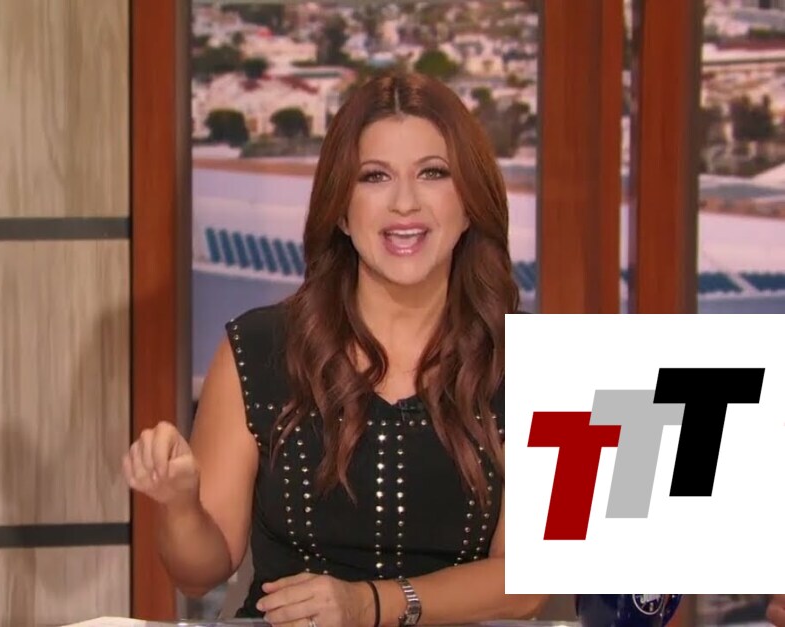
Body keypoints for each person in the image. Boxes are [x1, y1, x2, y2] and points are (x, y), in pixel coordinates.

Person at [123, 71, 546, 627]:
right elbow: (198, 573)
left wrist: (369, 604)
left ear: (469, 203)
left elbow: (528, 585)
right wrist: (180, 503)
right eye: (375, 176)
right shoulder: (258, 348)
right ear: (341, 210)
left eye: (433, 173)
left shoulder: (535, 365)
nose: (404, 203)